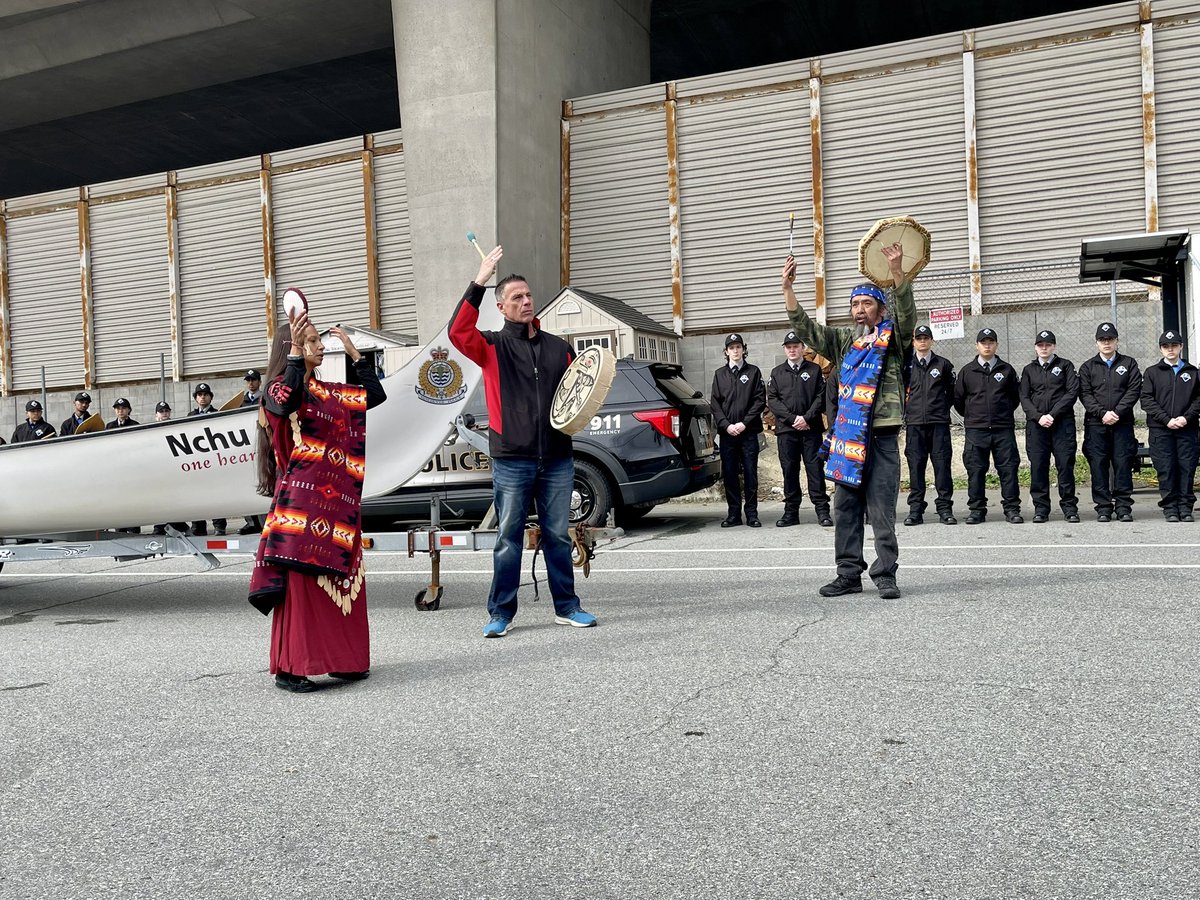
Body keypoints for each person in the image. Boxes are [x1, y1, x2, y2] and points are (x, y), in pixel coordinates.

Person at [449, 244, 598, 638]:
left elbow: (578, 393)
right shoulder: (491, 347)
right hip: (512, 458)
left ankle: (567, 606)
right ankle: (501, 612)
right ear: (501, 307)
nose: (526, 301)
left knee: (557, 537)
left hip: (557, 457)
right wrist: (480, 279)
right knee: (508, 539)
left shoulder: (559, 348)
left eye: (529, 295)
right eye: (517, 297)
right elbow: (456, 332)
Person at [248, 305, 386, 692]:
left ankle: (345, 661)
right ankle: (293, 667)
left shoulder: (326, 392)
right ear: (292, 347)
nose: (320, 347)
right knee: (304, 590)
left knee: (345, 582)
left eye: (318, 341)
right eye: (312, 342)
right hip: (298, 508)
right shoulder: (277, 389)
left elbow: (373, 395)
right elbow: (284, 402)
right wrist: (294, 354)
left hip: (337, 505)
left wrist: (355, 353)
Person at [781, 243, 915, 600]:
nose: (859, 310)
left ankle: (885, 573)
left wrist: (898, 271)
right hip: (847, 438)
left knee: (882, 510)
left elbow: (907, 313)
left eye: (866, 303)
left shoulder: (894, 340)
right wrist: (789, 290)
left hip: (882, 438)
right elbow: (807, 329)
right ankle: (848, 573)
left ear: (879, 309)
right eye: (855, 304)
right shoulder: (842, 341)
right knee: (844, 509)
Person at [954, 328, 1023, 525]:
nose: (987, 345)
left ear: (996, 345)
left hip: (1003, 429)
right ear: (977, 345)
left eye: (991, 342)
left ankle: (1012, 509)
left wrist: (1001, 414)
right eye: (983, 342)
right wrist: (974, 417)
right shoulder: (967, 371)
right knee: (975, 470)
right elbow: (959, 399)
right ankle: (977, 510)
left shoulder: (1007, 370)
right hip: (976, 430)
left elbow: (1014, 398)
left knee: (1008, 469)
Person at [1078, 322, 1141, 522]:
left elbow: (1133, 391)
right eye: (1102, 340)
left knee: (1123, 464)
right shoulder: (1088, 367)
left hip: (1122, 424)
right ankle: (1103, 507)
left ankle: (1123, 507)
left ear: (1117, 341)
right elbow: (1085, 395)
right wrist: (1102, 413)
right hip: (1096, 425)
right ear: (1097, 343)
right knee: (1099, 465)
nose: (1106, 343)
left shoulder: (1129, 364)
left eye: (1110, 339)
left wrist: (1117, 412)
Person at [766, 330, 831, 527]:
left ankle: (822, 511)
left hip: (810, 430)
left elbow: (821, 396)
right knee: (789, 470)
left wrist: (807, 418)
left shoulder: (814, 370)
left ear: (803, 348)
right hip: (787, 431)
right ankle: (791, 513)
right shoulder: (777, 373)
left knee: (815, 469)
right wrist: (793, 419)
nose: (792, 350)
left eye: (796, 346)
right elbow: (773, 400)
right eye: (789, 347)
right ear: (785, 350)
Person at [1018, 329, 1080, 523]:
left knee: (1065, 466)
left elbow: (1071, 393)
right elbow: (1024, 397)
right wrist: (1038, 417)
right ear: (1036, 347)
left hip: (1061, 425)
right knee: (1038, 467)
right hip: (1037, 427)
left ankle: (1069, 508)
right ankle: (1041, 509)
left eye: (1048, 345)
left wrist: (1052, 415)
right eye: (1040, 345)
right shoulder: (1029, 370)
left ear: (1054, 346)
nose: (1044, 348)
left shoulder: (1066, 366)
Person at [1140, 330, 1200, 522]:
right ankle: (1170, 508)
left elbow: (1198, 399)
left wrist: (1186, 418)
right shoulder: (1152, 373)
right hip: (1161, 430)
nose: (1170, 349)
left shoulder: (1192, 372)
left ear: (1181, 347)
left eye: (1174, 345)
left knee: (1186, 467)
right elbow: (1147, 400)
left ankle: (1185, 507)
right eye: (1166, 346)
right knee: (1166, 468)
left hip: (1187, 429)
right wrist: (1166, 419)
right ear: (1161, 349)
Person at [902, 324, 956, 526]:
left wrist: (939, 409)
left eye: (926, 338)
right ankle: (915, 510)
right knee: (916, 467)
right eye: (919, 338)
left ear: (932, 340)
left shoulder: (943, 365)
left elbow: (952, 394)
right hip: (915, 424)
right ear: (914, 342)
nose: (922, 341)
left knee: (942, 467)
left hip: (938, 424)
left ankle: (945, 509)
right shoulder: (906, 366)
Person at [711, 333, 766, 527]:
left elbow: (759, 400)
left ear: (744, 349)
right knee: (730, 473)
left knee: (751, 473)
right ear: (726, 352)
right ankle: (733, 514)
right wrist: (726, 425)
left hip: (748, 432)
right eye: (731, 348)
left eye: (738, 347)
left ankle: (752, 514)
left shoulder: (753, 372)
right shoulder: (720, 374)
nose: (735, 351)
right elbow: (715, 404)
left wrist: (744, 423)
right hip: (728, 435)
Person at [188, 383, 226, 536]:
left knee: (216, 494)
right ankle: (198, 526)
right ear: (195, 398)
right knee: (197, 495)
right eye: (199, 395)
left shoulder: (217, 414)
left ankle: (219, 525)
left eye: (205, 394)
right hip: (196, 461)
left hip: (213, 460)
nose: (202, 397)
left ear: (210, 397)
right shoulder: (190, 416)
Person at [238, 370, 268, 534]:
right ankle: (251, 522)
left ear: (259, 382)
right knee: (247, 483)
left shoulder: (264, 399)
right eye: (248, 380)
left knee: (263, 482)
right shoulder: (242, 402)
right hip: (245, 447)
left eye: (253, 380)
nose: (250, 383)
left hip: (262, 444)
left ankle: (264, 521)